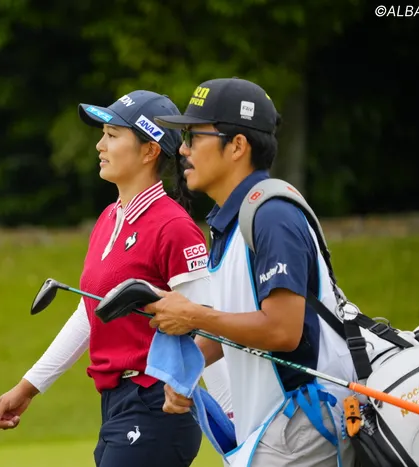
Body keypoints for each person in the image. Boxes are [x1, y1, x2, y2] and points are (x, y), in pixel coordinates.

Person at [0, 90, 233, 467]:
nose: (100, 145)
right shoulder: (108, 219)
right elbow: (91, 313)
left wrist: (230, 422)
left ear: (149, 151)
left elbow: (211, 326)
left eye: (113, 135)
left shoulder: (174, 227)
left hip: (158, 405)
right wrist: (27, 388)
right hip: (117, 404)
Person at [145, 77, 357, 466]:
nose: (184, 150)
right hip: (279, 426)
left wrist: (193, 316)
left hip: (304, 419)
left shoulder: (271, 216)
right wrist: (186, 369)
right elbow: (241, 322)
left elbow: (282, 330)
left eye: (194, 136)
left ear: (237, 146)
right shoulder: (234, 220)